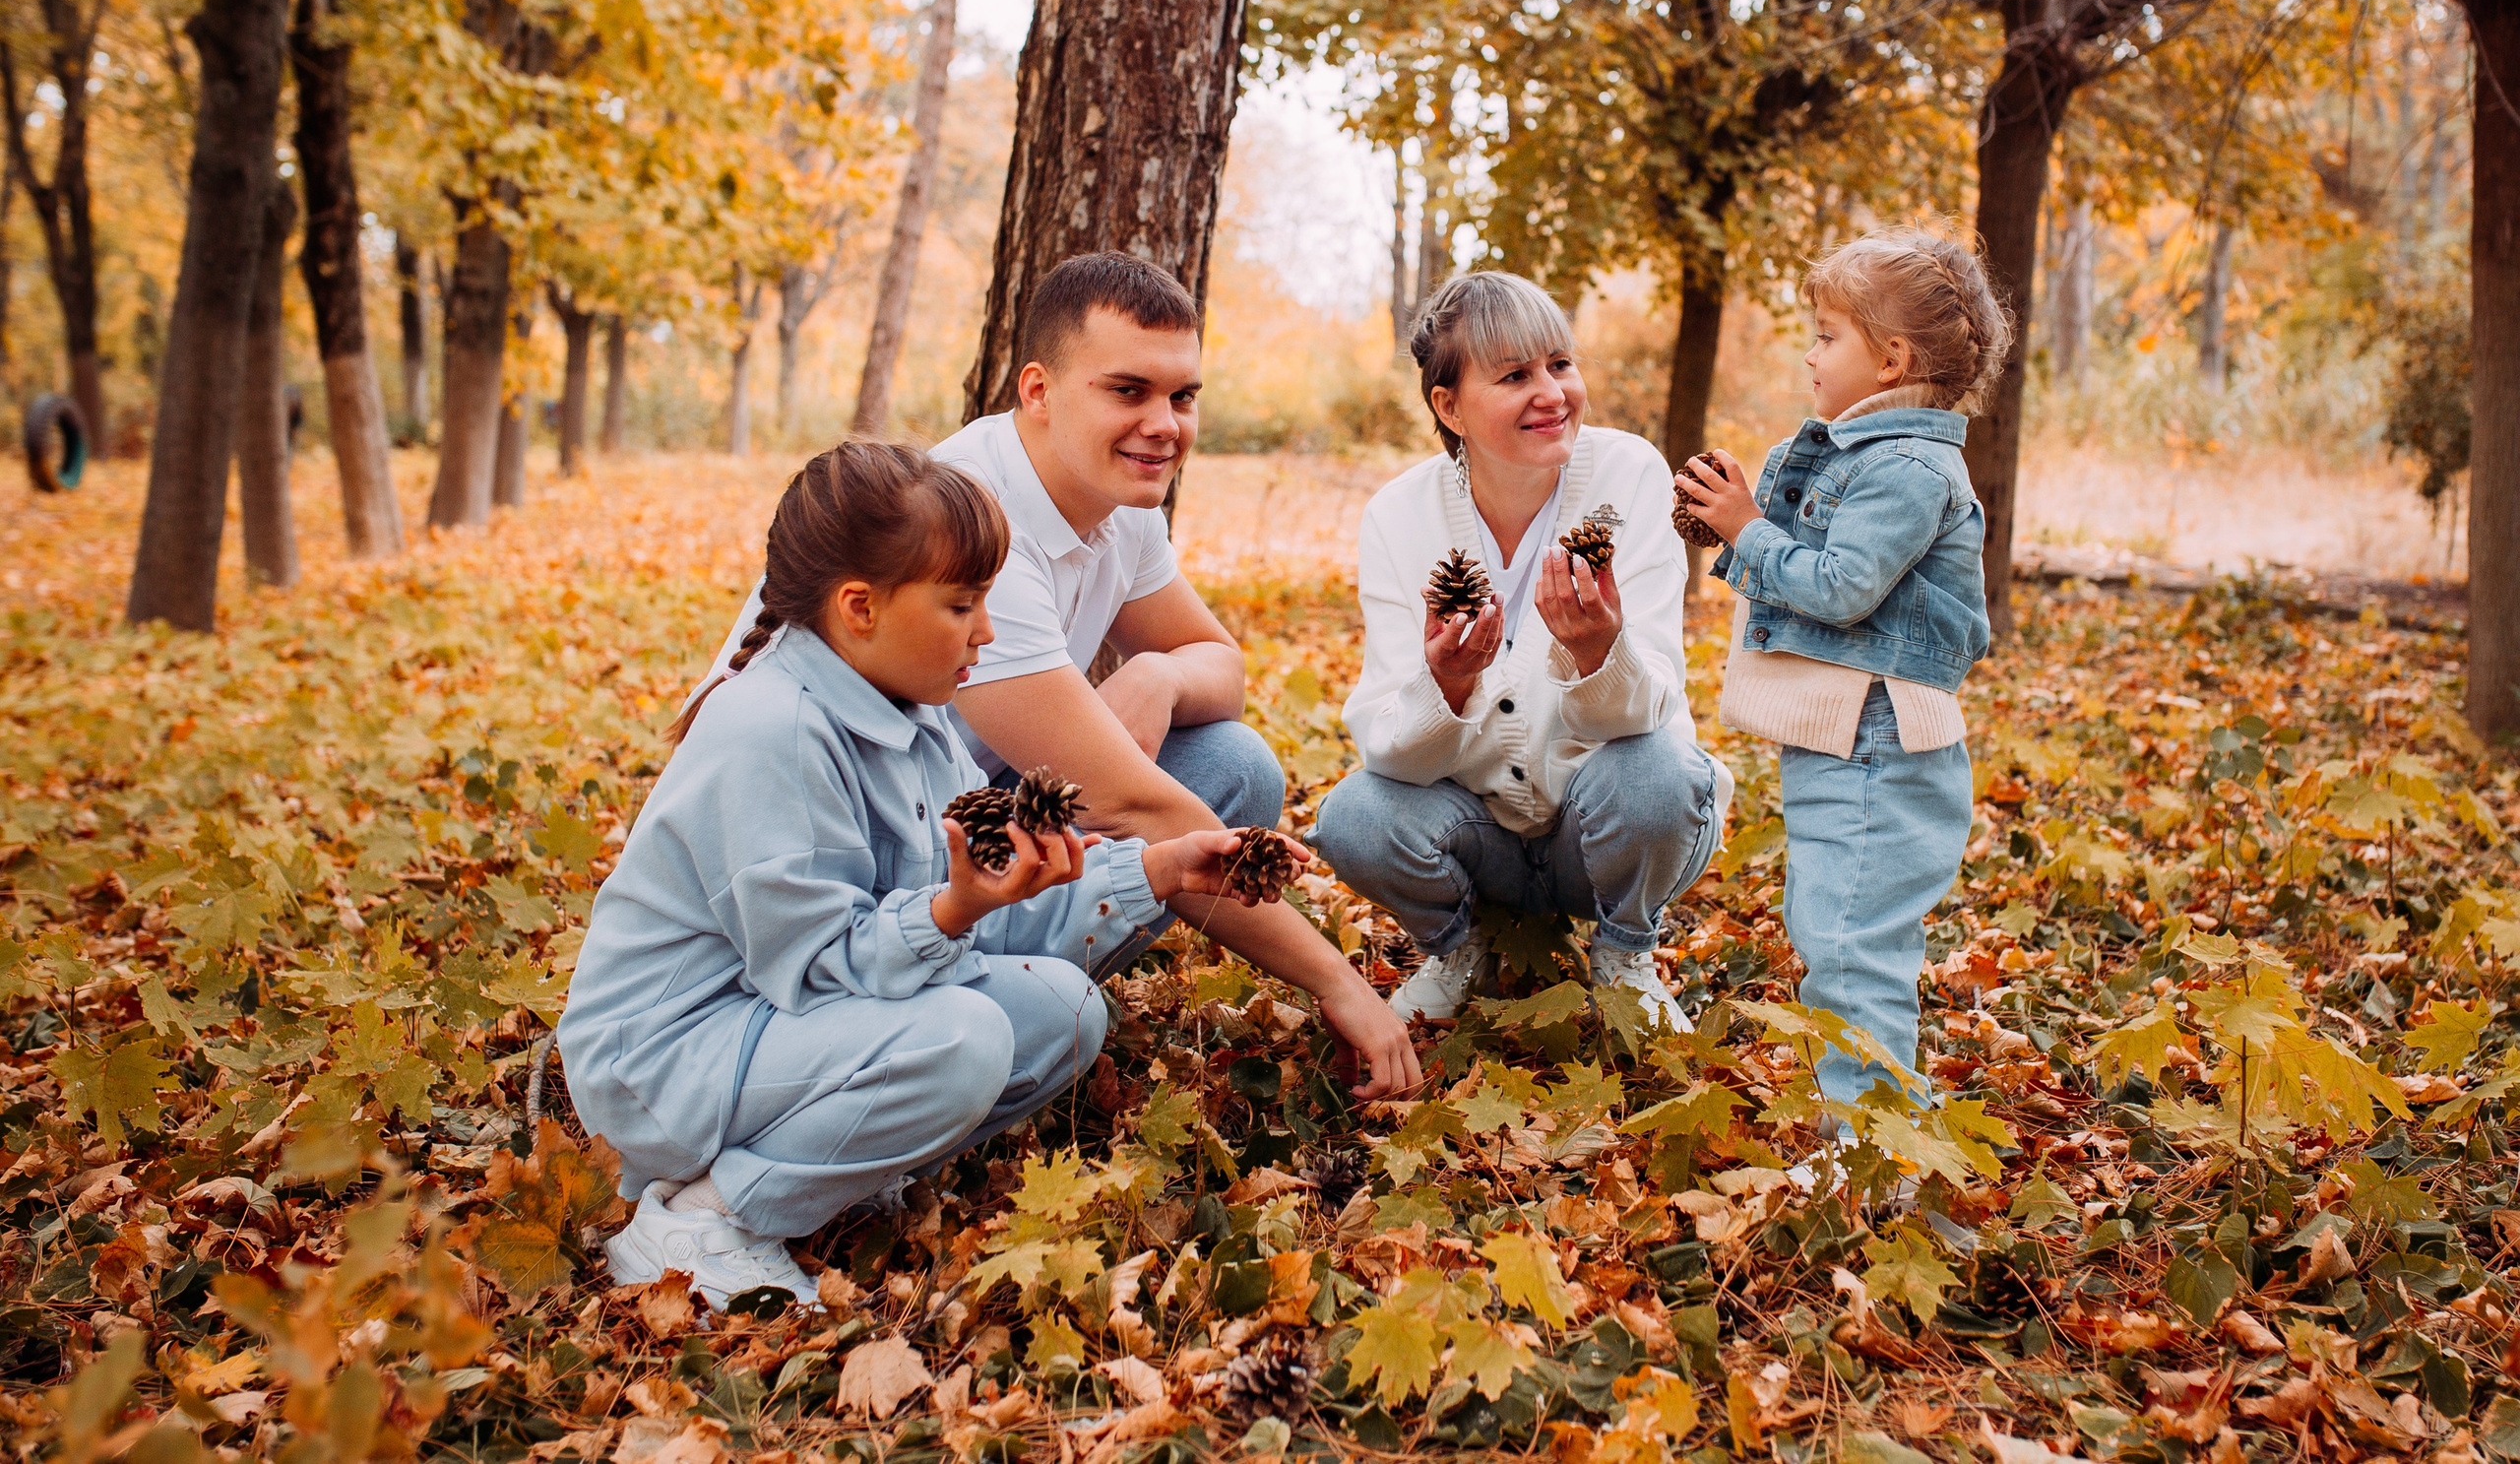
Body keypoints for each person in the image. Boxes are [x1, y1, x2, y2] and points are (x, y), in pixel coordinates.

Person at [563, 441, 1282, 1309]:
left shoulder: (913, 708)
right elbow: (817, 970)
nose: (986, 631)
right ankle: (705, 1219)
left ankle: (834, 1168)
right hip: (666, 1062)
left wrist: (1158, 870)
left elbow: (996, 920)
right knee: (963, 1040)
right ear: (859, 607)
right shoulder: (773, 732)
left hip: (771, 1034)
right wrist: (948, 913)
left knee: (1063, 1012)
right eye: (961, 605)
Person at [698, 252, 1420, 1098]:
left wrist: (1156, 674)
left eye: (1182, 396)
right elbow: (1131, 804)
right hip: (847, 851)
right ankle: (974, 1015)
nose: (1165, 424)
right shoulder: (968, 524)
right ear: (1037, 392)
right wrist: (1339, 982)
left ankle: (1026, 1002)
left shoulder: (1120, 496)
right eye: (1129, 391)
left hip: (956, 811)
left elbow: (1220, 666)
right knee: (1164, 804)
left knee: (1233, 767)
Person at [1309, 272, 1731, 1032]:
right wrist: (1444, 685)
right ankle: (1462, 944)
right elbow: (1387, 750)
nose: (1552, 393)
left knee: (1663, 773)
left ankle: (1626, 949)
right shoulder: (1399, 517)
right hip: (1479, 838)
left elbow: (1657, 700)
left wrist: (1600, 655)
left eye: (1560, 365)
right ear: (1449, 405)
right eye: (1514, 376)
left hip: (1601, 824)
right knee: (1352, 814)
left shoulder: (1629, 475)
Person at [1676, 226, 2011, 1115]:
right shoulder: (1863, 455)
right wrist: (1743, 512)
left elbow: (1843, 585)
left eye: (1828, 335)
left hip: (1879, 742)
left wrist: (1749, 530)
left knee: (1852, 944)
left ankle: (1870, 1147)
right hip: (1850, 737)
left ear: (1892, 358)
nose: (1811, 352)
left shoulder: (1905, 466)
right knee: (1833, 933)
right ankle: (1873, 1128)